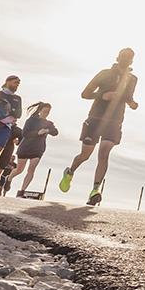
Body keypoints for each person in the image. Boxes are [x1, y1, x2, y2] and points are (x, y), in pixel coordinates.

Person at [58, 48, 139, 206]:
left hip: (115, 121)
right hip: (96, 118)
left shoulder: (133, 78)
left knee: (104, 154)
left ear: (132, 61)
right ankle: (70, 172)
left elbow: (129, 97)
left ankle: (95, 190)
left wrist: (132, 103)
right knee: (85, 155)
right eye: (124, 56)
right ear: (117, 57)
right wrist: (102, 95)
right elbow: (85, 93)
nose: (126, 59)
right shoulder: (104, 73)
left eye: (129, 57)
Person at [8, 102, 59, 197]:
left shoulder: (49, 124)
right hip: (25, 147)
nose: (46, 114)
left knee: (31, 170)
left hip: (38, 149)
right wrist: (37, 133)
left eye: (48, 112)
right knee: (19, 170)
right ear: (40, 111)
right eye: (44, 111)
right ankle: (9, 178)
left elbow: (55, 132)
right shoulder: (31, 121)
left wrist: (48, 130)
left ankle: (21, 191)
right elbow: (25, 134)